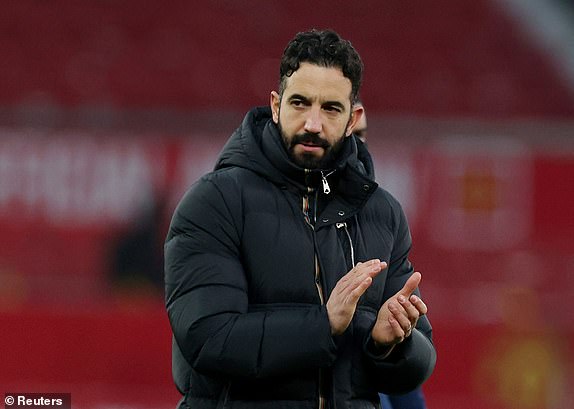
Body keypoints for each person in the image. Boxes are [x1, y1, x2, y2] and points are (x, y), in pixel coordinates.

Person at [164, 29, 436, 409]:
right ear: (275, 106)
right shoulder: (215, 202)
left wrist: (388, 344)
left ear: (352, 118)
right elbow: (208, 338)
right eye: (299, 103)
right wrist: (325, 325)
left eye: (330, 108)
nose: (312, 123)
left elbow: (419, 361)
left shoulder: (381, 212)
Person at [353, 103, 428, 409]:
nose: (357, 150)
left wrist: (396, 341)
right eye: (349, 135)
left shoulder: (381, 224)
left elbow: (405, 385)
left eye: (362, 137)